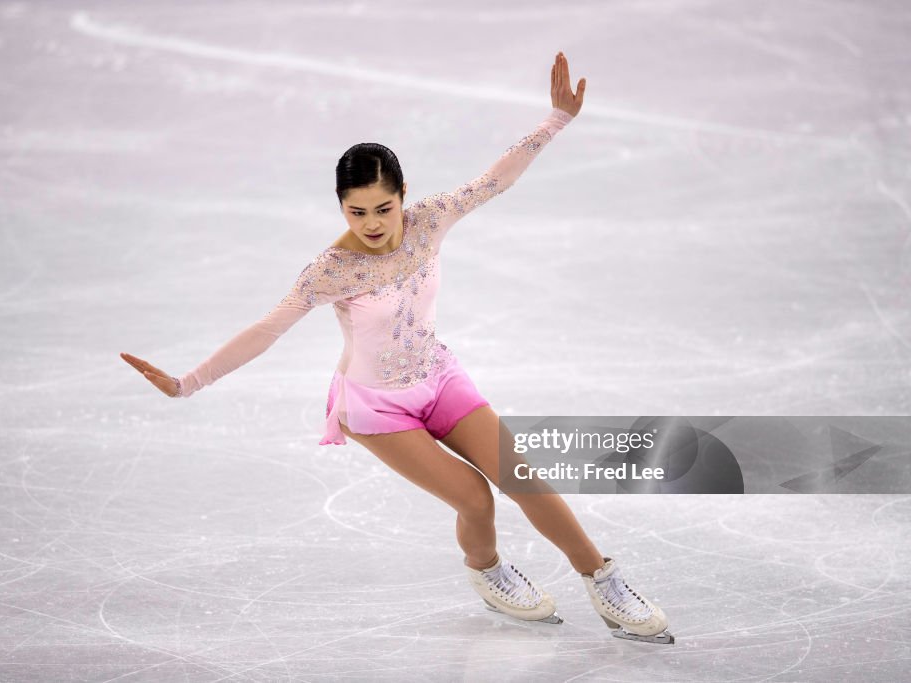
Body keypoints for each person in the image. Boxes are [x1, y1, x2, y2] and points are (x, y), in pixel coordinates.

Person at [121, 52, 673, 644]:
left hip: (437, 378)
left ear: (403, 195)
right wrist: (187, 383)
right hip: (377, 408)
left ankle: (604, 580)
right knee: (476, 500)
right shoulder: (331, 270)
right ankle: (486, 571)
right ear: (340, 206)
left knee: (524, 477)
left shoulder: (430, 219)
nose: (373, 223)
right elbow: (266, 329)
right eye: (356, 211)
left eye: (383, 208)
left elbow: (494, 181)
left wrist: (556, 121)